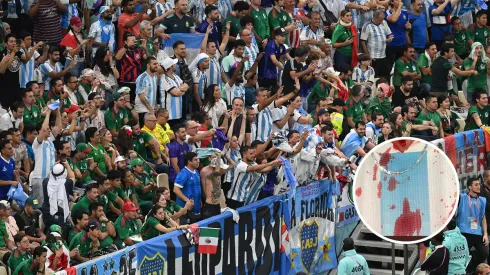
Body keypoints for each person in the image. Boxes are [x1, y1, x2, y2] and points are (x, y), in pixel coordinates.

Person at [457, 177, 489, 272]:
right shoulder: (462, 198)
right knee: (462, 256)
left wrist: (485, 234)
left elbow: (483, 218)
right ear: (470, 187)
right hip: (463, 232)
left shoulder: (482, 200)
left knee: (484, 253)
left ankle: (471, 269)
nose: (479, 186)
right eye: (476, 185)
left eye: (479, 184)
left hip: (477, 232)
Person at [41, 162, 75, 232]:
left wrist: (54, 168)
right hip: (60, 217)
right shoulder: (66, 183)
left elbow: (49, 176)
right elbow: (72, 177)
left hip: (47, 215)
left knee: (50, 234)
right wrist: (67, 165)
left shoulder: (46, 182)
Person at [200, 154, 235, 219]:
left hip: (217, 205)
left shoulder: (219, 173)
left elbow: (232, 164)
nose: (222, 170)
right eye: (221, 168)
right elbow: (204, 189)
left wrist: (225, 155)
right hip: (210, 205)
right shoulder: (208, 174)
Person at [360, 9, 393, 79]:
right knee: (373, 78)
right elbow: (363, 42)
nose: (381, 22)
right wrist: (368, 56)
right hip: (373, 57)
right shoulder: (367, 26)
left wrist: (390, 38)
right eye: (380, 20)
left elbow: (389, 34)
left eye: (382, 19)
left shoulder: (384, 23)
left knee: (385, 77)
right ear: (374, 18)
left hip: (383, 56)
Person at [173, 152, 201, 221]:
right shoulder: (183, 173)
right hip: (186, 211)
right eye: (195, 160)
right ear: (189, 161)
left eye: (197, 159)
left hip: (196, 208)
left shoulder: (196, 172)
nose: (198, 161)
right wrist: (187, 201)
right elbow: (175, 189)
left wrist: (200, 200)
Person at [135, 57, 158, 124]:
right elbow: (141, 95)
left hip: (151, 109)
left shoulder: (155, 77)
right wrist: (150, 108)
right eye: (154, 64)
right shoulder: (142, 77)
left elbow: (154, 92)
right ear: (148, 65)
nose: (156, 66)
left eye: (157, 64)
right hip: (143, 109)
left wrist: (155, 105)